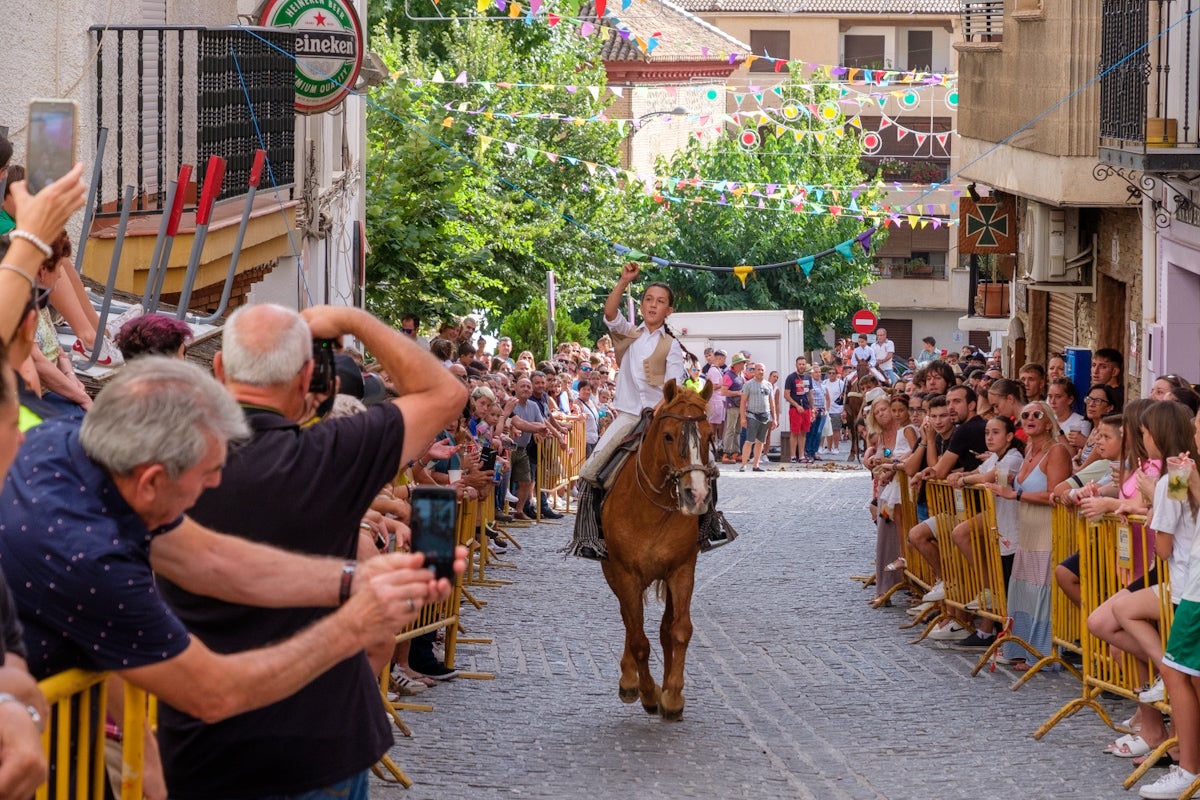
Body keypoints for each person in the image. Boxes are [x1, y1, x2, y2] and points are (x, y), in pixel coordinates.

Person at [0, 359, 460, 738]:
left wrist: (355, 580)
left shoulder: (64, 441)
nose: (216, 483)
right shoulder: (92, 561)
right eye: (206, 475)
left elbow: (208, 557)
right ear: (151, 481)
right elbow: (212, 692)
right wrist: (353, 626)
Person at [154, 303, 467, 799]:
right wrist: (353, 320)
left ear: (218, 370)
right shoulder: (332, 452)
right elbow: (446, 391)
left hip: (200, 740)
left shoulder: (157, 466)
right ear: (307, 378)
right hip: (321, 736)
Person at [568, 262, 724, 560]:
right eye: (649, 300)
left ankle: (707, 527)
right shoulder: (629, 334)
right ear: (642, 306)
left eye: (660, 301)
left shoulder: (673, 346)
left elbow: (675, 386)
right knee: (591, 470)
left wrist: (659, 408)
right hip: (628, 414)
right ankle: (590, 536)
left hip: (662, 415)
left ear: (669, 310)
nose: (653, 305)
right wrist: (624, 281)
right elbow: (610, 313)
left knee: (709, 465)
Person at [738, 363, 771, 472]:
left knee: (760, 442)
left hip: (765, 416)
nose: (760, 372)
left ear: (765, 371)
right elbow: (743, 402)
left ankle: (755, 465)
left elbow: (772, 403)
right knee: (749, 441)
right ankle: (743, 465)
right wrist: (743, 418)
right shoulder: (748, 384)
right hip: (752, 415)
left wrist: (774, 418)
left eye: (762, 370)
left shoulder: (768, 385)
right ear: (754, 371)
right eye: (758, 369)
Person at [783, 357, 812, 464]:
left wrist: (812, 409)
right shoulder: (791, 377)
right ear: (796, 365)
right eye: (800, 364)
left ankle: (801, 456)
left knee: (803, 433)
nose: (801, 366)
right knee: (795, 432)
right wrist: (796, 405)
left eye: (803, 364)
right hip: (795, 409)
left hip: (806, 408)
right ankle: (793, 456)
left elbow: (810, 394)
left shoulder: (808, 377)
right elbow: (786, 395)